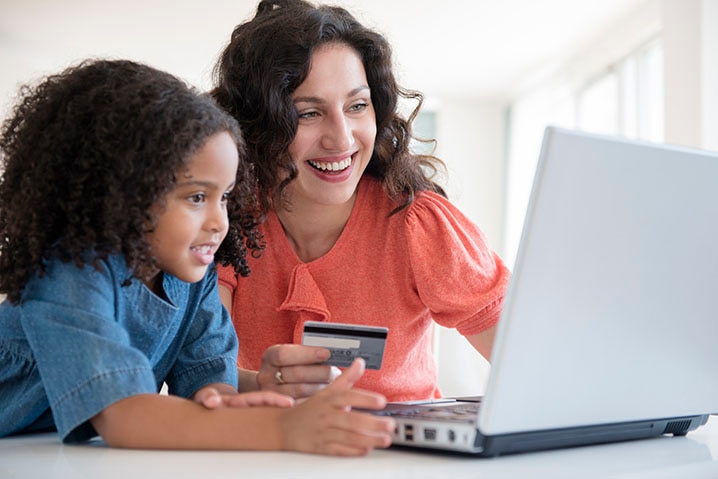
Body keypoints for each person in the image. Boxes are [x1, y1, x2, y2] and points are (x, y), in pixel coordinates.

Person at [0, 58, 394, 456]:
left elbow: (207, 381)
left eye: (223, 197)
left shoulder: (193, 276)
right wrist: (281, 427)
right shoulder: (72, 272)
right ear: (119, 195)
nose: (217, 222)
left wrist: (237, 398)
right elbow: (123, 416)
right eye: (196, 197)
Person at [212, 0, 511, 402]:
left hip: (402, 461)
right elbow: (204, 374)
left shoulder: (416, 223)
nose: (342, 139)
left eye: (357, 106)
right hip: (274, 453)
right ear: (258, 125)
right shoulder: (224, 221)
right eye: (308, 114)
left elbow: (529, 363)